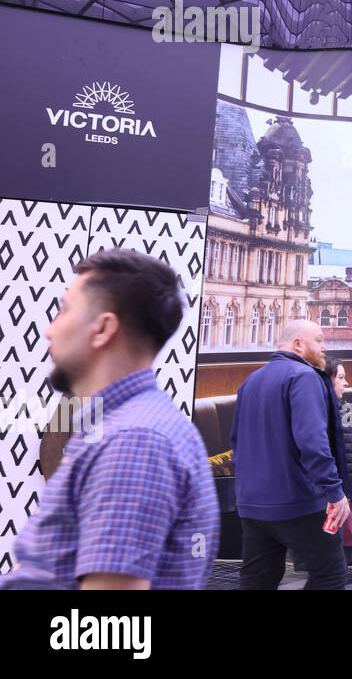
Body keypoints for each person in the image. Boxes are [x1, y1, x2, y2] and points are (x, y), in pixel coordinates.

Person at [1, 249, 218, 589]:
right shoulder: (124, 428)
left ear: (102, 328)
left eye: (63, 310)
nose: (48, 330)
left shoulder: (133, 441)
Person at [231, 319, 351, 590]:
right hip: (298, 502)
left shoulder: (251, 381)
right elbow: (312, 442)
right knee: (330, 574)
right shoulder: (304, 377)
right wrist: (335, 491)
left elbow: (237, 443)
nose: (324, 346)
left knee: (256, 581)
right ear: (298, 344)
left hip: (253, 505)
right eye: (319, 340)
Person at [323, 358, 352, 563]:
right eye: (341, 377)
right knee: (334, 563)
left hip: (348, 498)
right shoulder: (323, 413)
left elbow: (351, 452)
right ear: (327, 381)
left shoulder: (346, 408)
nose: (346, 382)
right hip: (336, 500)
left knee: (341, 559)